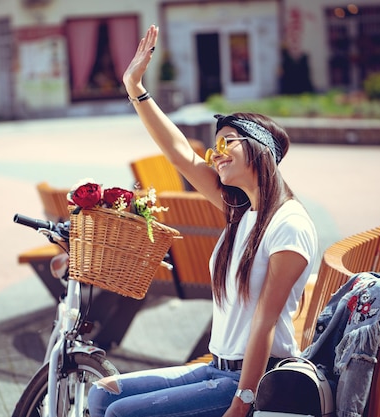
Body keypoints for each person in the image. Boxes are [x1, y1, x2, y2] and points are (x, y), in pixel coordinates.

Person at [87, 25, 319, 417]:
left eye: (228, 141)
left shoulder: (288, 225)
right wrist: (134, 87)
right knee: (101, 395)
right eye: (216, 146)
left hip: (253, 379)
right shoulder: (241, 212)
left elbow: (264, 324)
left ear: (260, 149)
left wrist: (242, 404)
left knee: (119, 413)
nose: (218, 153)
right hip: (217, 366)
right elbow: (180, 154)